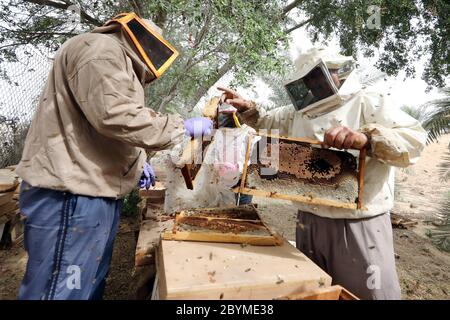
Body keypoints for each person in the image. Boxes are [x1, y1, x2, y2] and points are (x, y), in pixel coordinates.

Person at [15, 12, 212, 300]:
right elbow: (114, 116)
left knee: (87, 284)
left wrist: (138, 161)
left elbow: (102, 126)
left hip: (89, 192)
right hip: (72, 195)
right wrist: (183, 126)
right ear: (139, 38)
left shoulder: (110, 56)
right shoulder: (101, 51)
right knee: (64, 290)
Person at [218, 47, 427, 299]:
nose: (315, 83)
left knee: (367, 293)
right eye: (309, 79)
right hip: (307, 220)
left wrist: (366, 139)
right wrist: (249, 107)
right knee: (316, 291)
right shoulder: (300, 110)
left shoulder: (369, 100)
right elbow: (267, 120)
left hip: (357, 224)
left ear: (337, 72)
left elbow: (414, 140)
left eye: (319, 75)